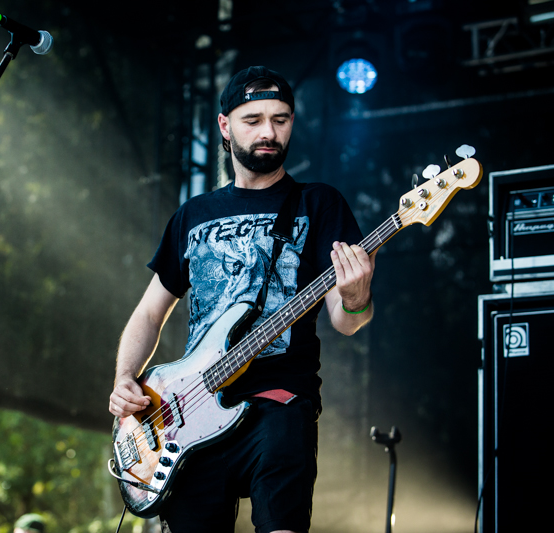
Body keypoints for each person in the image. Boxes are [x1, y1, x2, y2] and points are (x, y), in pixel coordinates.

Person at [108, 66, 376, 533]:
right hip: (185, 414)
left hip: (279, 401)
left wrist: (356, 296)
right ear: (225, 126)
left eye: (281, 118)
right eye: (253, 119)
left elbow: (347, 320)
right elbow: (149, 313)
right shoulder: (193, 215)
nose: (269, 132)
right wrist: (125, 379)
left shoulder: (319, 204)